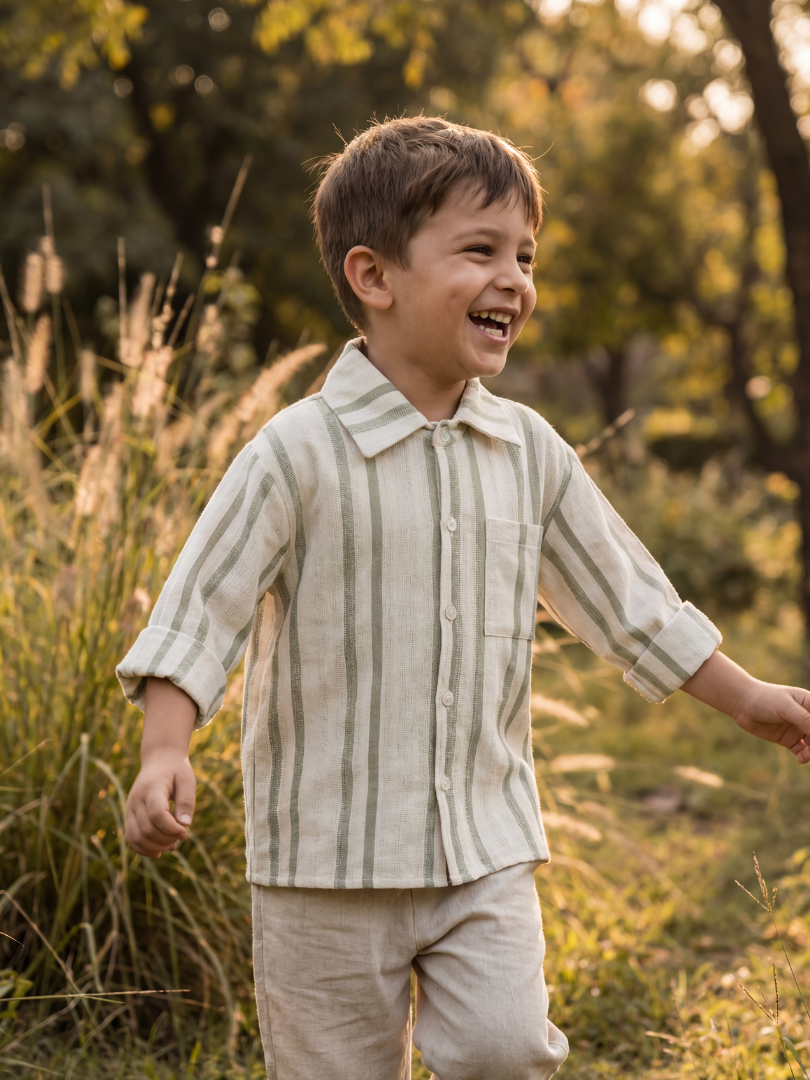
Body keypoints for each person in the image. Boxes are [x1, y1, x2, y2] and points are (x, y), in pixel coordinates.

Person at [117, 116, 810, 1080]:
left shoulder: (530, 454)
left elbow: (630, 602)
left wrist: (752, 701)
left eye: (524, 255)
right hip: (325, 864)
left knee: (508, 1049)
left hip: (482, 851)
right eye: (479, 250)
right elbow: (199, 611)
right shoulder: (293, 453)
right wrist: (163, 752)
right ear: (374, 276)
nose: (515, 280)